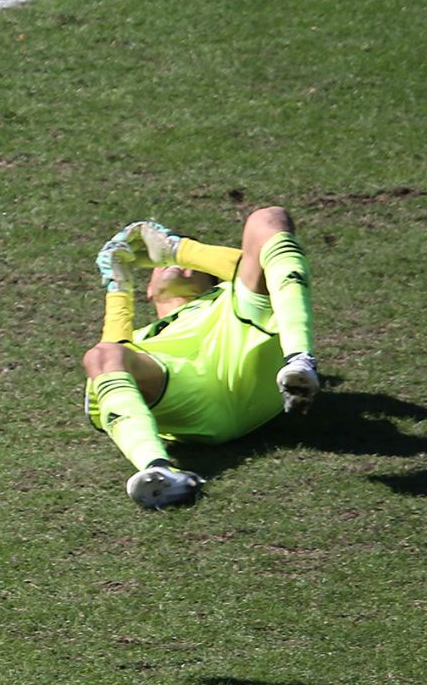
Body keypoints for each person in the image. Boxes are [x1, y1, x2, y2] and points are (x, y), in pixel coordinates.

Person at [82, 209, 321, 509]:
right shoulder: (139, 341)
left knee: (268, 219)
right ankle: (158, 470)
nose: (177, 264)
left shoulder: (228, 297)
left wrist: (177, 249)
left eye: (190, 263)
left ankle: (300, 360)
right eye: (164, 263)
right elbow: (102, 386)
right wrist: (118, 290)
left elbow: (261, 253)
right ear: (149, 291)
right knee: (104, 356)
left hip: (241, 352)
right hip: (184, 397)